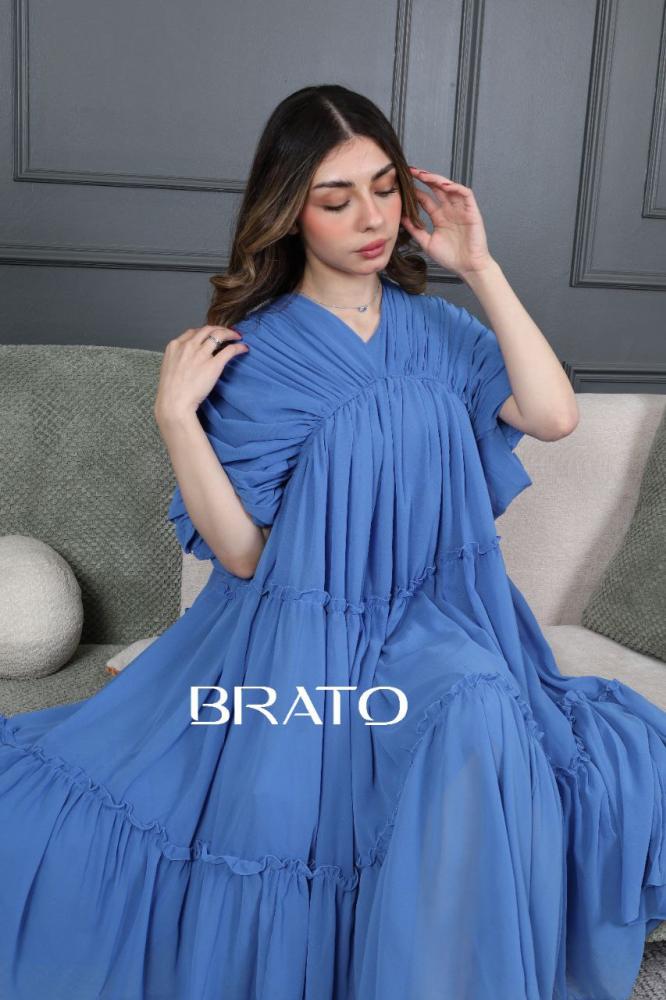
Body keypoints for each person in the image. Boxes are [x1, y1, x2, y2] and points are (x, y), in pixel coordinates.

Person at [0, 83, 664, 1000]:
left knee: (481, 704)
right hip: (302, 639)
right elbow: (242, 555)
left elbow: (552, 416)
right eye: (336, 198)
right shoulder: (253, 352)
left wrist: (480, 265)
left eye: (385, 188)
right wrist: (176, 419)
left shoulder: (441, 329)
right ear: (288, 211)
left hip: (439, 619)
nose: (372, 218)